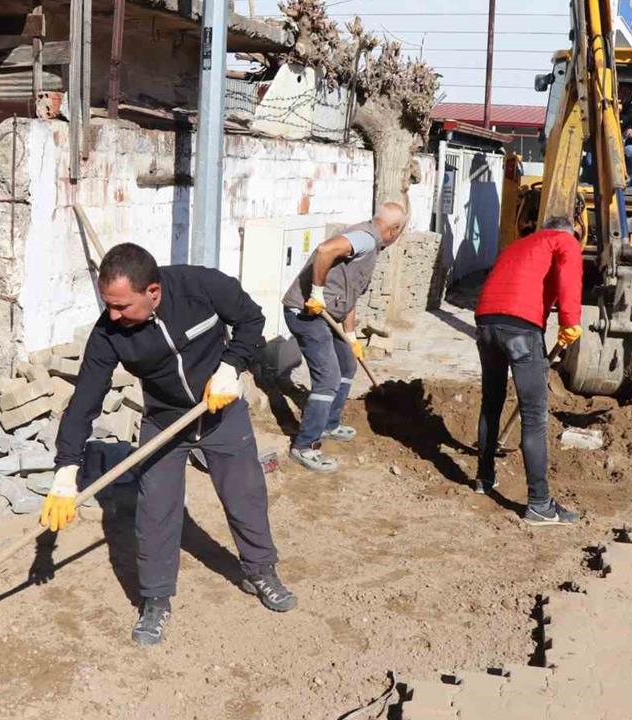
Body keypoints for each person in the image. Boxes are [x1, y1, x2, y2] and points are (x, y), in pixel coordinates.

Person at [43, 243, 295, 646]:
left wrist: (232, 367)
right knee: (156, 512)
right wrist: (66, 469)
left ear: (153, 292)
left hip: (221, 411)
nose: (113, 315)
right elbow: (85, 399)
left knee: (245, 496)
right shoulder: (109, 333)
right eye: (108, 304)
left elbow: (252, 319)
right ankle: (156, 600)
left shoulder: (202, 286)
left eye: (122, 306)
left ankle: (260, 571)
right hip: (165, 423)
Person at [280, 202, 409, 472]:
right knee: (327, 378)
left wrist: (351, 336)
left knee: (348, 363)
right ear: (394, 229)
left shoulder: (370, 246)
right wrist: (316, 292)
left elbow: (349, 294)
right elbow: (325, 250)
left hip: (328, 314)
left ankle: (329, 423)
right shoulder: (365, 238)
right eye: (400, 231)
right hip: (307, 313)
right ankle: (305, 446)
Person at [473, 215, 584, 525]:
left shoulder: (518, 245)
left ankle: (484, 478)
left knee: (491, 403)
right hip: (521, 328)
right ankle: (539, 504)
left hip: (485, 323)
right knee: (534, 416)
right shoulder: (564, 241)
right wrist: (570, 320)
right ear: (568, 232)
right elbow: (569, 274)